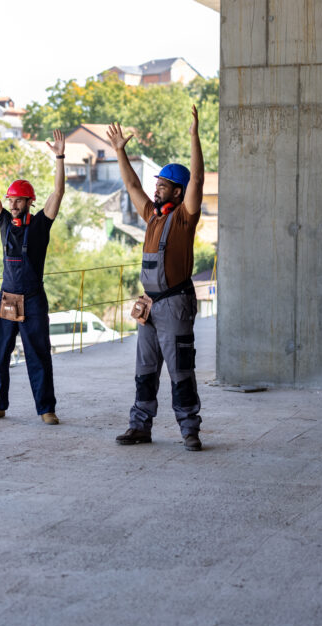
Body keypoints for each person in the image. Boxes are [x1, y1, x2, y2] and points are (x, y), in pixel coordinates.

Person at [108, 105, 204, 451]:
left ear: (178, 192)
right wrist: (120, 151)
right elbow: (132, 184)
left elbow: (197, 178)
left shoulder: (184, 217)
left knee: (180, 370)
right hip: (149, 304)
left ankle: (189, 430)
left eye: (164, 185)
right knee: (145, 369)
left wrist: (194, 136)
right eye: (158, 184)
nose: (157, 189)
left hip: (176, 303)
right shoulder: (151, 216)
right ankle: (140, 426)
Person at [0, 129, 66, 425]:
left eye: (18, 200)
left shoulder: (41, 225)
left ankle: (46, 409)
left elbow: (58, 194)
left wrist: (60, 158)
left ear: (30, 202)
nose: (12, 205)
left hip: (33, 299)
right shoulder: (3, 223)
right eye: (10, 200)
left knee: (38, 355)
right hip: (7, 297)